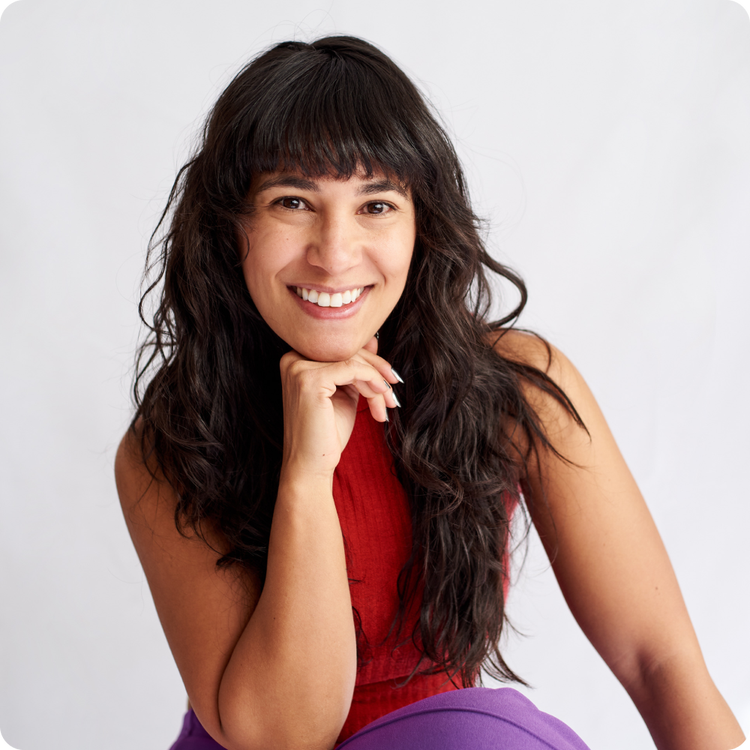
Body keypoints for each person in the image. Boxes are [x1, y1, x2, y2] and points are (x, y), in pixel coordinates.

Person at [115, 36, 745, 750]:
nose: (335, 252)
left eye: (376, 205)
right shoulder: (172, 440)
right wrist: (307, 477)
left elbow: (660, 662)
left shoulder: (512, 388)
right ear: (232, 227)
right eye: (292, 201)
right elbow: (283, 739)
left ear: (421, 225)